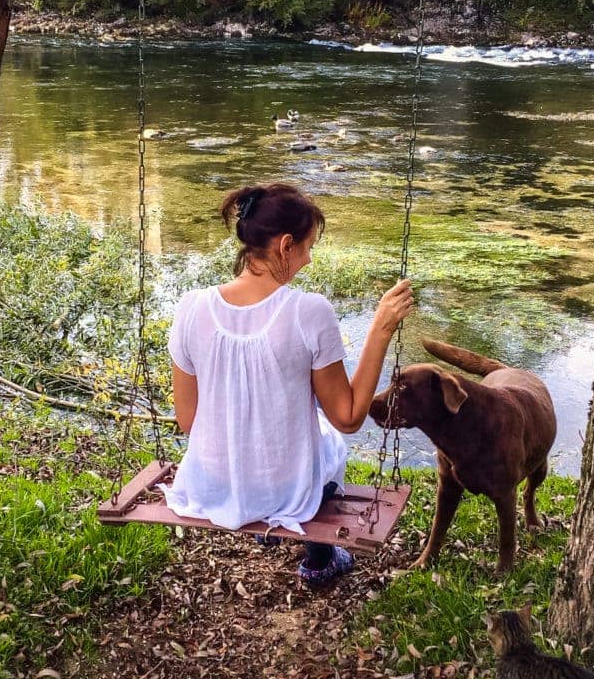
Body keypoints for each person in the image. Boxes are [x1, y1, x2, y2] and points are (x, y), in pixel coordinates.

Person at [164, 182, 414, 588]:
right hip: (285, 492)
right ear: (285, 246)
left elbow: (188, 420)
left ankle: (273, 517)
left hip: (210, 483)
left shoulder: (191, 308)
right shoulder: (307, 312)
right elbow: (350, 417)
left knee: (309, 430)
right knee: (331, 436)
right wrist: (382, 326)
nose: (309, 260)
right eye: (308, 247)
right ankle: (320, 558)